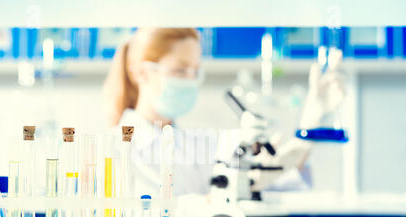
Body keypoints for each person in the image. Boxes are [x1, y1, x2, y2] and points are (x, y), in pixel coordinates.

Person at [102, 28, 345, 199]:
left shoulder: (194, 142)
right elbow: (155, 211)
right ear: (141, 73)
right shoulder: (117, 147)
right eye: (180, 70)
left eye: (195, 71)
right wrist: (208, 204)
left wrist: (312, 120)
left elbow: (269, 177)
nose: (190, 80)